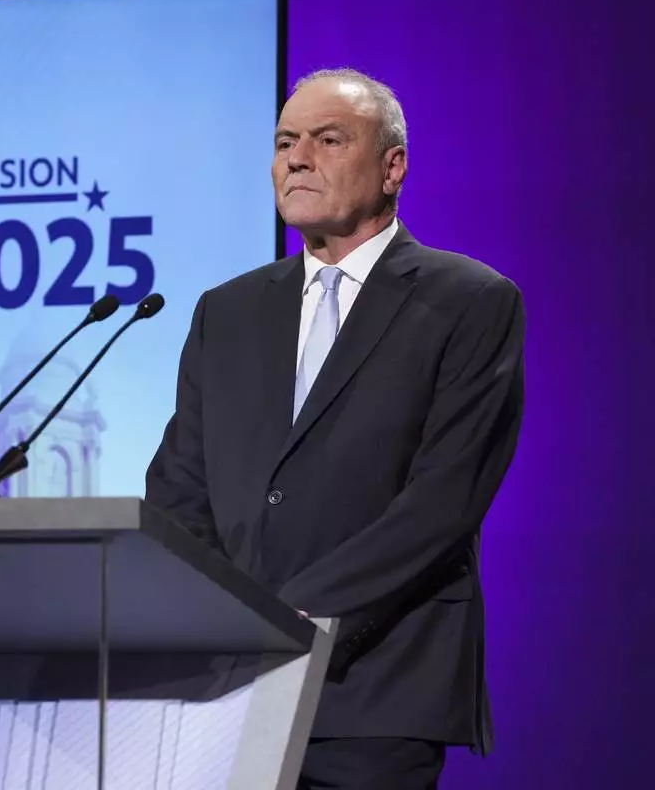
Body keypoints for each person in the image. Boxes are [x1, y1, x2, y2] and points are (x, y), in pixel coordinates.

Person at [145, 67, 526, 789]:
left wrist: (293, 620)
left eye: (327, 139)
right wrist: (221, 624)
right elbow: (178, 488)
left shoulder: (470, 302)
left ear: (393, 167)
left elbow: (443, 502)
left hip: (375, 690)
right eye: (286, 141)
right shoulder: (226, 311)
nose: (296, 157)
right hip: (226, 689)